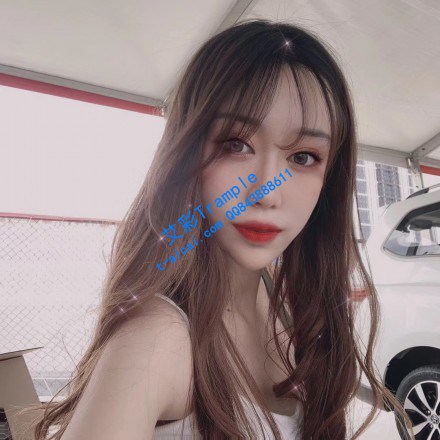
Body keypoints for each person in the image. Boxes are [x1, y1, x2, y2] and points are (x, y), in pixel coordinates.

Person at [27, 18, 412, 439]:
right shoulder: (156, 339)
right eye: (236, 144)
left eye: (303, 157)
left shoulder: (284, 302)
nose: (266, 192)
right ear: (186, 154)